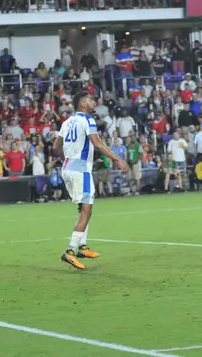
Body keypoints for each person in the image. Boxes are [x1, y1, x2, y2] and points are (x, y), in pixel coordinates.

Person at [54, 92, 128, 270]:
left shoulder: (67, 122)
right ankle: (71, 250)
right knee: (87, 210)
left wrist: (68, 160)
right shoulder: (87, 120)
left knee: (83, 208)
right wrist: (117, 158)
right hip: (81, 171)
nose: (94, 102)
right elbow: (98, 144)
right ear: (82, 104)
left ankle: (82, 246)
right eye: (90, 99)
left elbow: (56, 147)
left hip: (67, 168)